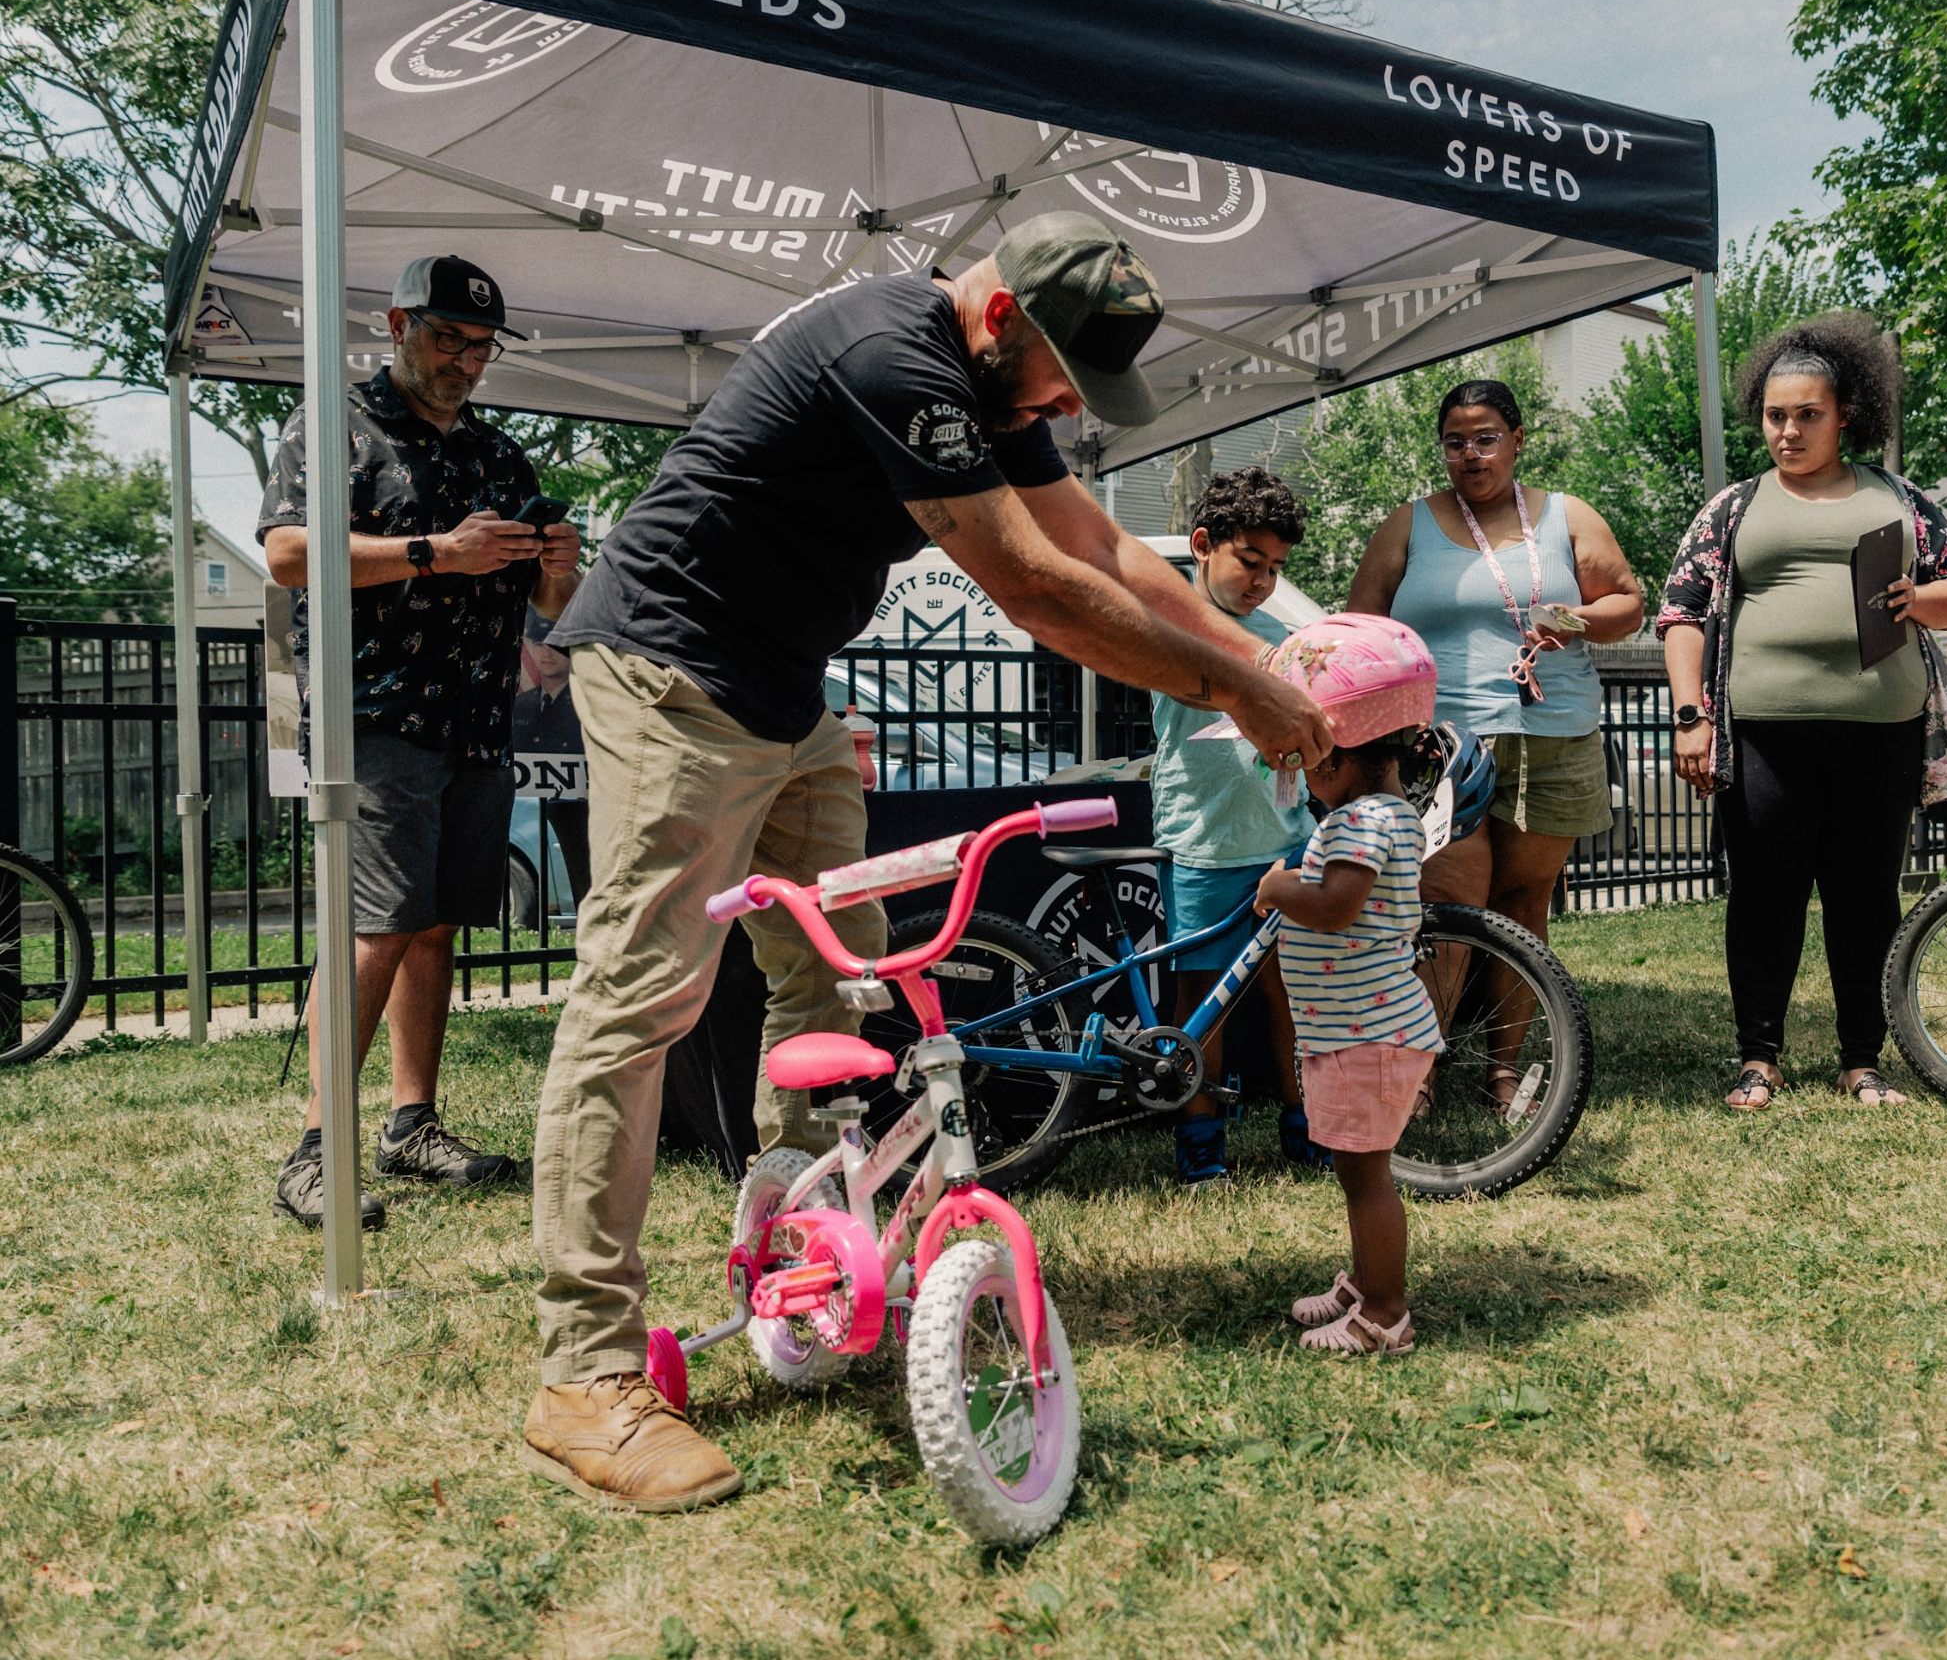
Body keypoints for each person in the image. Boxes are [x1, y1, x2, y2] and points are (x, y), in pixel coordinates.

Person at [521, 212, 1330, 1511]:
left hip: (787, 701)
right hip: (668, 673)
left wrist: (1262, 665)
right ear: (1002, 317)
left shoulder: (992, 377)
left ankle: (800, 1249)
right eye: (1065, 377)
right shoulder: (896, 348)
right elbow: (1036, 590)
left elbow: (1109, 551)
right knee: (642, 1001)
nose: (1070, 408)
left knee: (835, 982)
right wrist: (1237, 691)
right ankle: (586, 1372)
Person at [257, 254, 581, 1230]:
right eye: (447, 338)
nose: (465, 361)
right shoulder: (337, 425)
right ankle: (317, 1151)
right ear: (398, 323)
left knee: (436, 921)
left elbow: (543, 605)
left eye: (480, 346)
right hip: (376, 716)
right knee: (378, 923)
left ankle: (410, 1122)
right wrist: (435, 551)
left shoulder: (496, 453)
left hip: (477, 719)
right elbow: (283, 554)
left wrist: (557, 570)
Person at [1658, 313, 1947, 1110]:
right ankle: (1758, 1058)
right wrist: (1690, 714)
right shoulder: (1733, 508)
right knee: (1765, 893)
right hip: (1765, 733)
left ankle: (1861, 1059)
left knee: (1865, 895)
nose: (1789, 431)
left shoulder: (1903, 502)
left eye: (1808, 415)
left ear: (1847, 417)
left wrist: (1917, 597)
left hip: (1883, 730)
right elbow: (1680, 613)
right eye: (1775, 415)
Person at [1346, 379, 1644, 943]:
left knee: (1522, 901)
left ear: (1517, 439)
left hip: (1553, 737)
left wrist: (1575, 621)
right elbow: (1362, 626)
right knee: (1446, 897)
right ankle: (1434, 1034)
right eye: (1454, 443)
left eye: (1485, 439)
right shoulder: (1409, 523)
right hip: (1438, 743)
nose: (1470, 455)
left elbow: (1628, 605)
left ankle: (1515, 1033)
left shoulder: (1567, 516)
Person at [1250, 618, 1446, 1357]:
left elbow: (1335, 906)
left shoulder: (1359, 822)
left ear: (1332, 755)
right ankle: (1366, 1283)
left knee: (1367, 1181)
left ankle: (1385, 1314)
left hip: (1368, 1034)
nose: (1298, 775)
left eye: (1301, 760)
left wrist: (1278, 886)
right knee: (1353, 1170)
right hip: (1359, 1030)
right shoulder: (1387, 813)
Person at [1147, 467, 1321, 1186]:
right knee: (1203, 998)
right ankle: (1200, 1142)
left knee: (1293, 987)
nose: (1262, 581)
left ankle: (1307, 1127)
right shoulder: (1165, 624)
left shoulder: (1286, 635)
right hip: (1203, 842)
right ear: (1202, 546)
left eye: (1276, 568)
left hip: (1286, 836)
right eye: (1250, 561)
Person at [512, 614, 591, 904]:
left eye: (556, 645)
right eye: (538, 643)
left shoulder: (585, 705)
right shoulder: (521, 706)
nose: (545, 653)